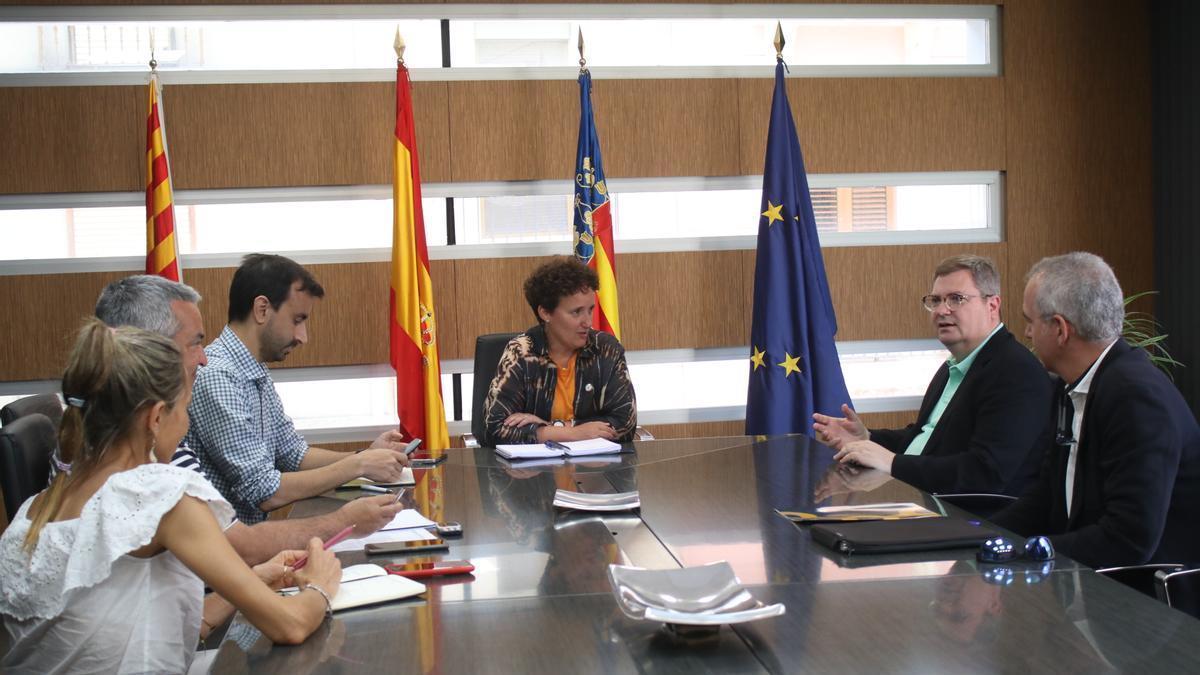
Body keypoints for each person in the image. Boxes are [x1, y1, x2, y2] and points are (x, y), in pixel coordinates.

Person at [0, 321, 341, 673]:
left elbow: (127, 630)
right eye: (184, 410)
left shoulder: (33, 511)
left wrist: (254, 578)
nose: (185, 426)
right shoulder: (160, 494)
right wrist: (320, 586)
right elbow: (290, 625)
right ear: (156, 417)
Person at [95, 274, 405, 565]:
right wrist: (347, 511)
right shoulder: (213, 382)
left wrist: (363, 458)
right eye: (194, 343)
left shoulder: (249, 374)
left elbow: (291, 453)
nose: (203, 358)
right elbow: (252, 517)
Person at [990, 252, 1200, 568]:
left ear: (1060, 329)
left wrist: (1023, 554)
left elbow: (1129, 539)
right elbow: (1048, 496)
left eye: (1030, 322)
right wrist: (980, 536)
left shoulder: (1135, 396)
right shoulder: (1071, 386)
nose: (1028, 334)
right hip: (1083, 576)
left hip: (1140, 591)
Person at [183, 254, 410, 524]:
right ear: (262, 309)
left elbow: (293, 454)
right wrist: (358, 466)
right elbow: (263, 490)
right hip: (230, 544)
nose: (303, 337)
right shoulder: (219, 376)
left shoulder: (252, 368)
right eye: (297, 320)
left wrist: (366, 456)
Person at [813, 255, 1052, 496]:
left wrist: (892, 462)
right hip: (926, 501)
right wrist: (868, 438)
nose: (941, 310)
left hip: (972, 514)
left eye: (956, 299)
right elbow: (928, 437)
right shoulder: (954, 365)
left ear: (992, 305)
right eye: (935, 300)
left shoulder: (1016, 372)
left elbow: (985, 472)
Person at [483, 257, 637, 446]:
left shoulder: (605, 349)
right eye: (576, 312)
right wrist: (574, 433)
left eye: (590, 310)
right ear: (545, 313)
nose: (588, 322)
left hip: (595, 464)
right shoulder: (522, 352)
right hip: (534, 465)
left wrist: (551, 428)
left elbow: (625, 423)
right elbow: (495, 428)